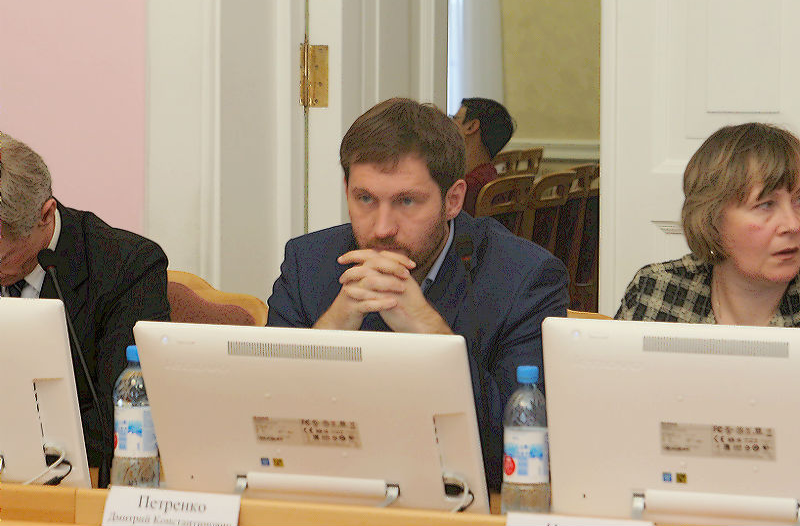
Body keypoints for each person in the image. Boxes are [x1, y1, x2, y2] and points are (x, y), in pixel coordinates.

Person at [268, 98, 568, 491]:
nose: (382, 228)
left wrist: (430, 332)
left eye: (406, 201)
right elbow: (265, 423)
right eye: (365, 199)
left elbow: (520, 449)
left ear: (453, 200)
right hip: (331, 494)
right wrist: (334, 327)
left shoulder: (524, 278)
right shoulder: (308, 264)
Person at [0, 132, 170, 480]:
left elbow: (117, 415)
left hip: (65, 478)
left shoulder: (127, 268)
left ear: (45, 215)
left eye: (2, 258)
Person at [616, 122, 800, 325]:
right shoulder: (657, 290)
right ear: (712, 217)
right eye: (765, 205)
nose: (793, 224)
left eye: (799, 200)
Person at [451, 97, 515, 216]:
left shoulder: (469, 186)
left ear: (471, 127)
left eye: (455, 118)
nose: (450, 124)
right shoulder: (489, 176)